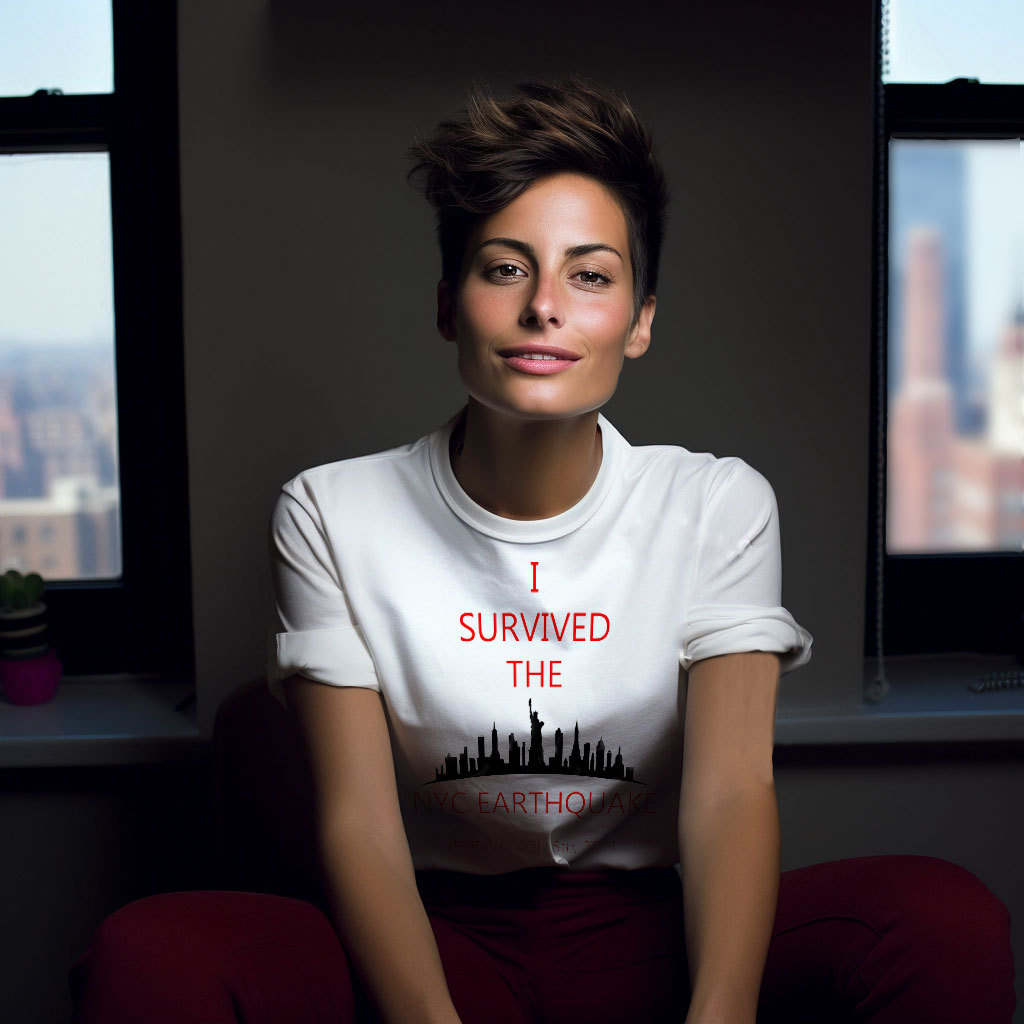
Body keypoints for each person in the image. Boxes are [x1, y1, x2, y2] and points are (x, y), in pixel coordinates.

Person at [70, 79, 1015, 1024]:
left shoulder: (718, 503)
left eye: (591, 274)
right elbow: (357, 822)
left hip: (648, 933)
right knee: (150, 953)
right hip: (438, 937)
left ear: (641, 320)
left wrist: (719, 1015)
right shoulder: (330, 510)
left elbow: (731, 791)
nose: (545, 308)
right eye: (506, 268)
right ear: (450, 307)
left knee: (941, 918)